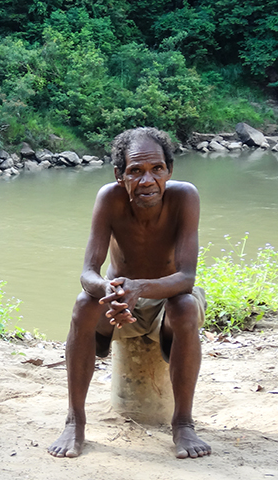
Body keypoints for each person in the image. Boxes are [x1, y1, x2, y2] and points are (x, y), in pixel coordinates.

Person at [47, 127, 211, 460]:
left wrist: (140, 288)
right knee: (83, 305)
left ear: (169, 171)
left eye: (156, 170)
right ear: (120, 175)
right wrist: (111, 290)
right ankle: (74, 421)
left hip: (165, 301)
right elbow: (87, 273)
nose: (147, 180)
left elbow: (187, 277)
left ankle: (182, 423)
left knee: (185, 307)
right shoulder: (110, 198)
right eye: (135, 171)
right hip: (118, 305)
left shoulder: (184, 198)